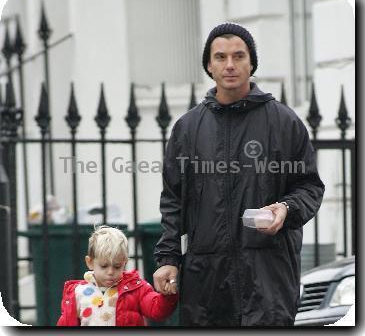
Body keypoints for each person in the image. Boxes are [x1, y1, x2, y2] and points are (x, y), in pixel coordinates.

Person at [153, 23, 325, 326]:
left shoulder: (284, 122)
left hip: (268, 277)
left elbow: (309, 186)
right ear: (209, 64)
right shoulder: (188, 128)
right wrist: (168, 260)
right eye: (220, 57)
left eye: (238, 56)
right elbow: (173, 200)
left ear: (251, 63)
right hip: (206, 281)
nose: (229, 65)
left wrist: (286, 209)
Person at [57, 225, 177, 326]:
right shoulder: (77, 293)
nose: (110, 272)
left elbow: (156, 310)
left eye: (117, 266)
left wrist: (167, 296)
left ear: (124, 262)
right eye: (104, 266)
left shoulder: (136, 288)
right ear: (90, 262)